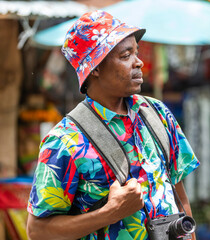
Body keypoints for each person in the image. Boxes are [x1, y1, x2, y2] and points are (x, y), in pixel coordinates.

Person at [26, 10, 199, 240]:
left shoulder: (157, 113)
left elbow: (179, 195)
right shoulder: (65, 141)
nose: (139, 62)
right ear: (94, 68)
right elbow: (37, 231)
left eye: (136, 53)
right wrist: (108, 214)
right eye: (126, 55)